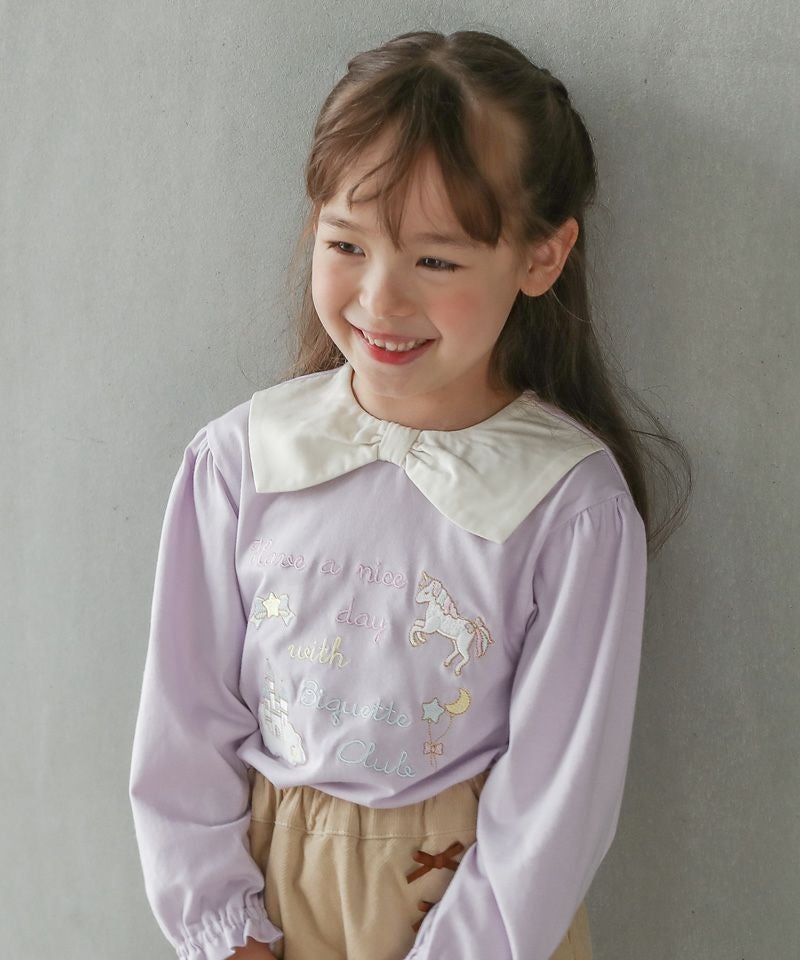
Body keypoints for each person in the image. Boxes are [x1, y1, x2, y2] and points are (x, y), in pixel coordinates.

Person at [128, 28, 691, 960]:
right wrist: (225, 932)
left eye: (436, 261)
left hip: (474, 910)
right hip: (269, 898)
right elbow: (183, 728)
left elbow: (556, 802)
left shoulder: (570, 507)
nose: (381, 301)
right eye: (347, 243)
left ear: (541, 258)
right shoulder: (240, 459)